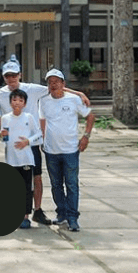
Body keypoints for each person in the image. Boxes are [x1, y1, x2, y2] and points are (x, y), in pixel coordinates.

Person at [0, 55, 89, 225]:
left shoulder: (32, 89)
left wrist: (78, 93)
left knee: (37, 178)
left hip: (32, 143)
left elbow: (56, 88)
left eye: (14, 75)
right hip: (13, 146)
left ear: (20, 75)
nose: (11, 79)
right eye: (8, 76)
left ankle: (37, 210)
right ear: (3, 77)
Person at [40, 68, 95, 232]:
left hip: (71, 150)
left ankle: (72, 218)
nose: (53, 84)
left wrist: (86, 136)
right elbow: (42, 121)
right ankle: (61, 213)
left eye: (56, 81)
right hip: (51, 151)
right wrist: (42, 140)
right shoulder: (43, 101)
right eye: (50, 82)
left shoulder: (74, 100)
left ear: (63, 84)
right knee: (56, 185)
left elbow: (90, 117)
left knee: (71, 185)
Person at [0, 88, 43, 229]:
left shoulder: (28, 117)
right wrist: (2, 135)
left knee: (26, 188)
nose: (17, 102)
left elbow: (38, 134)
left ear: (24, 103)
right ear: (10, 102)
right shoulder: (5, 118)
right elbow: (3, 139)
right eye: (14, 99)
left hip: (26, 159)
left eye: (20, 100)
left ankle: (25, 216)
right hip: (11, 159)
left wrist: (27, 141)